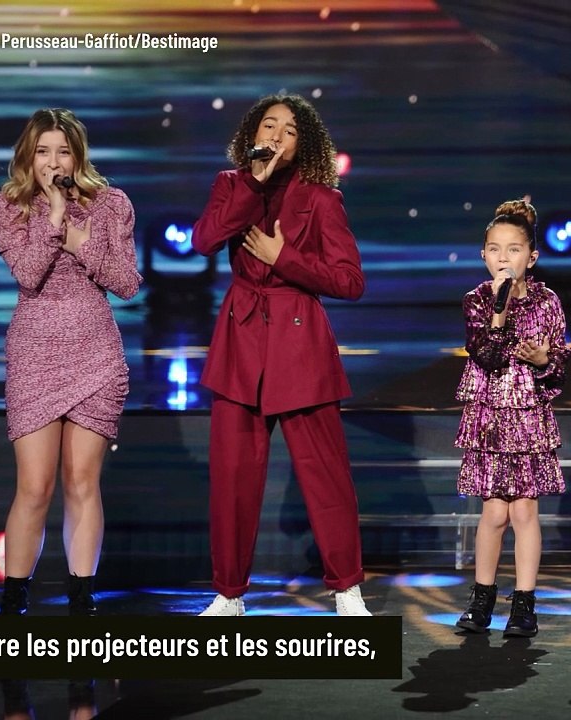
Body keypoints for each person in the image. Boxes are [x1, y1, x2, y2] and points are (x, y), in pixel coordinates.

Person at [191, 94, 370, 617]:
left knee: (325, 474)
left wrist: (283, 257)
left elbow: (349, 281)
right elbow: (204, 240)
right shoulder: (230, 185)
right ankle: (228, 593)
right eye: (268, 125)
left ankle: (345, 587)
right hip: (240, 341)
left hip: (300, 344)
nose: (275, 135)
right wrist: (251, 181)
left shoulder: (321, 198)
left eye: (288, 130)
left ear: (303, 144)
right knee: (232, 478)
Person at [0, 108, 142, 616]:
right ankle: (15, 601)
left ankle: (82, 600)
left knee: (82, 480)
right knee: (35, 486)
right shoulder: (7, 206)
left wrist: (78, 235)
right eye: (43, 151)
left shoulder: (112, 204)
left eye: (63, 151)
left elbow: (126, 282)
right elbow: (29, 275)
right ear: (27, 157)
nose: (54, 162)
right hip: (34, 350)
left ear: (78, 156)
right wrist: (53, 218)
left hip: (95, 351)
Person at [453, 200, 571, 638]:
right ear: (483, 254)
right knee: (493, 513)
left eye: (514, 249)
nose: (504, 258)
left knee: (524, 512)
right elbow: (484, 352)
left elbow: (560, 363)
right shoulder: (476, 301)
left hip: (527, 418)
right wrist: (500, 311)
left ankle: (524, 606)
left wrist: (543, 358)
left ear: (532, 256)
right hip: (488, 417)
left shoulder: (548, 302)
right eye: (495, 249)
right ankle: (481, 599)